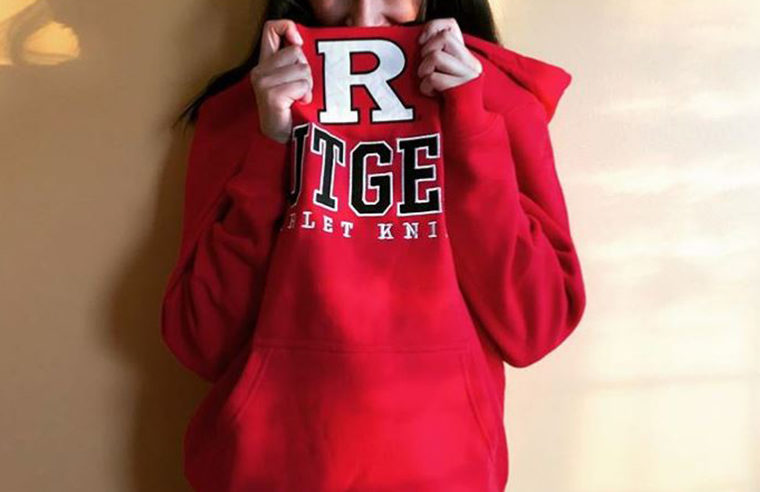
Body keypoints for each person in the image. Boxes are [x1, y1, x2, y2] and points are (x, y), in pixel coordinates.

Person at [160, 0, 587, 490]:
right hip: (264, 470)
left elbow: (536, 323)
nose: (363, 16)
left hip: (443, 471)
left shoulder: (499, 102)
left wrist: (471, 127)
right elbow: (201, 339)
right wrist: (269, 144)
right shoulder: (247, 106)